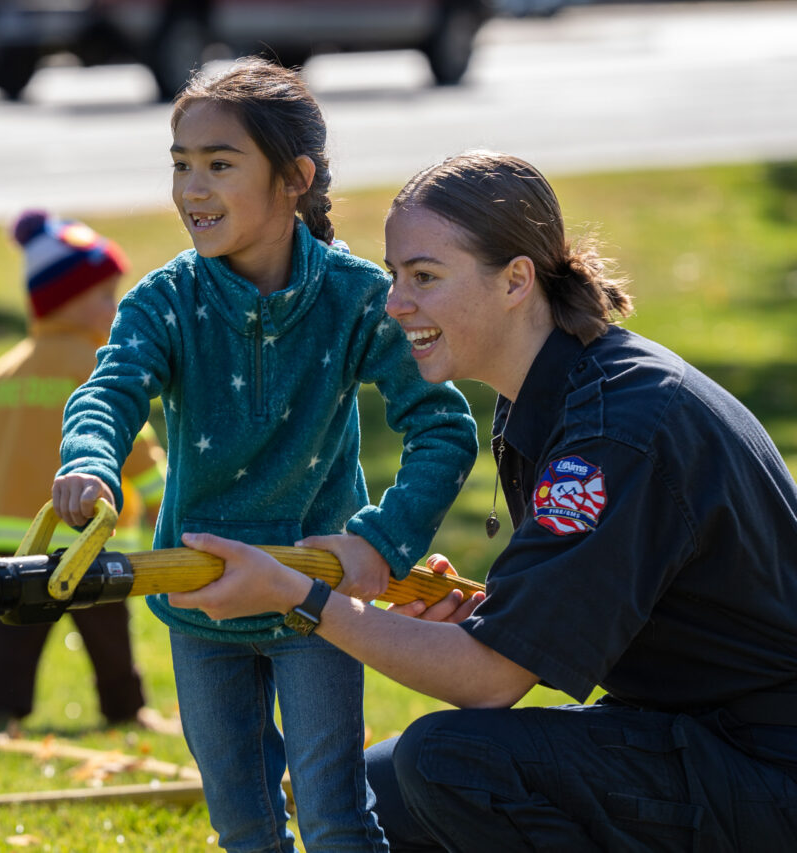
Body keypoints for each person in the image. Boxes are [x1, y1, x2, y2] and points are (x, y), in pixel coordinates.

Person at [171, 150, 797, 851]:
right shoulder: (553, 393)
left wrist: (298, 597)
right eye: (394, 275)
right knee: (371, 784)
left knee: (447, 760)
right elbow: (554, 621)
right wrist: (486, 620)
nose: (395, 303)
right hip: (692, 737)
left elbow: (491, 680)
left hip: (763, 768)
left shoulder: (615, 432)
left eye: (425, 277)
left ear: (516, 281)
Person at [52, 59, 478, 852]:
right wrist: (90, 459)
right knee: (244, 823)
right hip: (199, 604)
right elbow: (109, 390)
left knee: (336, 816)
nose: (192, 189)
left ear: (294, 179)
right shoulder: (165, 301)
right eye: (180, 165)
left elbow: (444, 428)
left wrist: (379, 545)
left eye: (219, 164)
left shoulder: (356, 298)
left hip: (312, 608)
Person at [0, 210, 172, 738]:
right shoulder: (95, 367)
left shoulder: (3, 372)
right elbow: (134, 446)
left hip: (14, 538)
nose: (115, 306)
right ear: (65, 301)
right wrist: (164, 498)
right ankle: (126, 710)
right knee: (108, 633)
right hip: (90, 538)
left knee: (15, 631)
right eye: (105, 296)